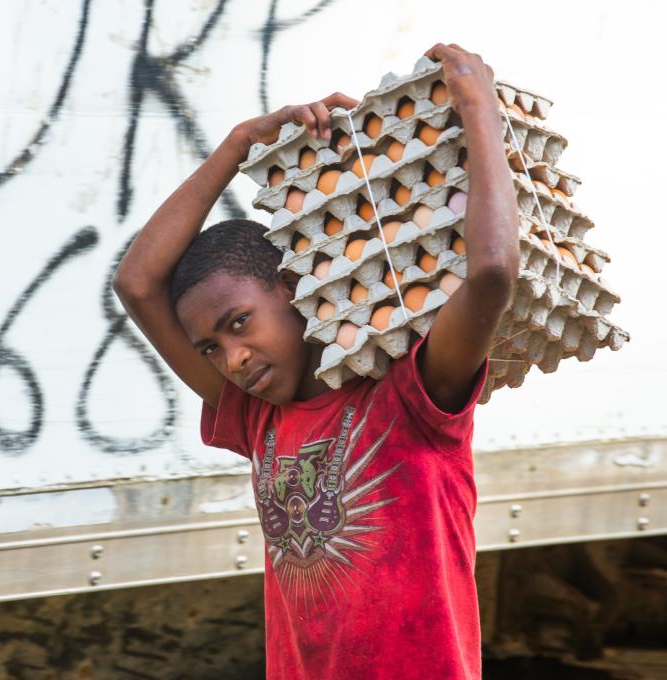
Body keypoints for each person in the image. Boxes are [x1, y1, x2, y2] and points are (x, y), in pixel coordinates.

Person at [114, 42, 518, 680]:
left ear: (294, 289)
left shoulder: (411, 397)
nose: (234, 359)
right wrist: (238, 145)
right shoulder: (254, 419)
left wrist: (478, 110)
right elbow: (136, 284)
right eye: (211, 349)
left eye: (239, 324)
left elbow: (492, 273)